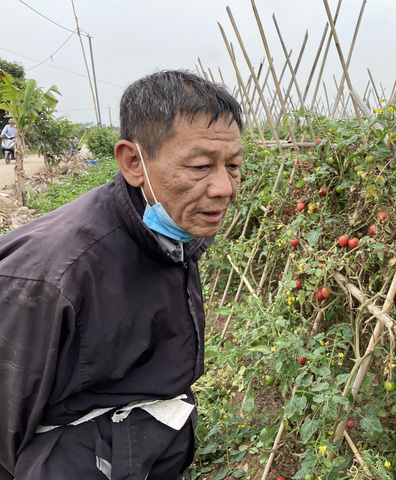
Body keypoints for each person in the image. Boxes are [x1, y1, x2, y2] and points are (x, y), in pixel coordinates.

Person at [0, 70, 243, 479]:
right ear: (133, 162)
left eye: (234, 165)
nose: (225, 187)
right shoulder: (50, 276)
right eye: (201, 165)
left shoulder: (172, 233)